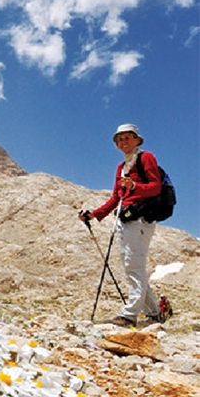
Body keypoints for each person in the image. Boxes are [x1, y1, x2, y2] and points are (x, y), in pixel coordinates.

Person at [80, 123, 169, 327]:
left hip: (141, 218)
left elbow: (155, 187)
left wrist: (135, 186)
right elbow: (116, 197)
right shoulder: (121, 168)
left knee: (133, 265)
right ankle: (155, 313)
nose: (123, 142)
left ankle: (129, 315)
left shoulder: (146, 157)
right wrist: (93, 215)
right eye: (119, 139)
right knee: (132, 265)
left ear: (137, 140)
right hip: (125, 218)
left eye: (127, 137)